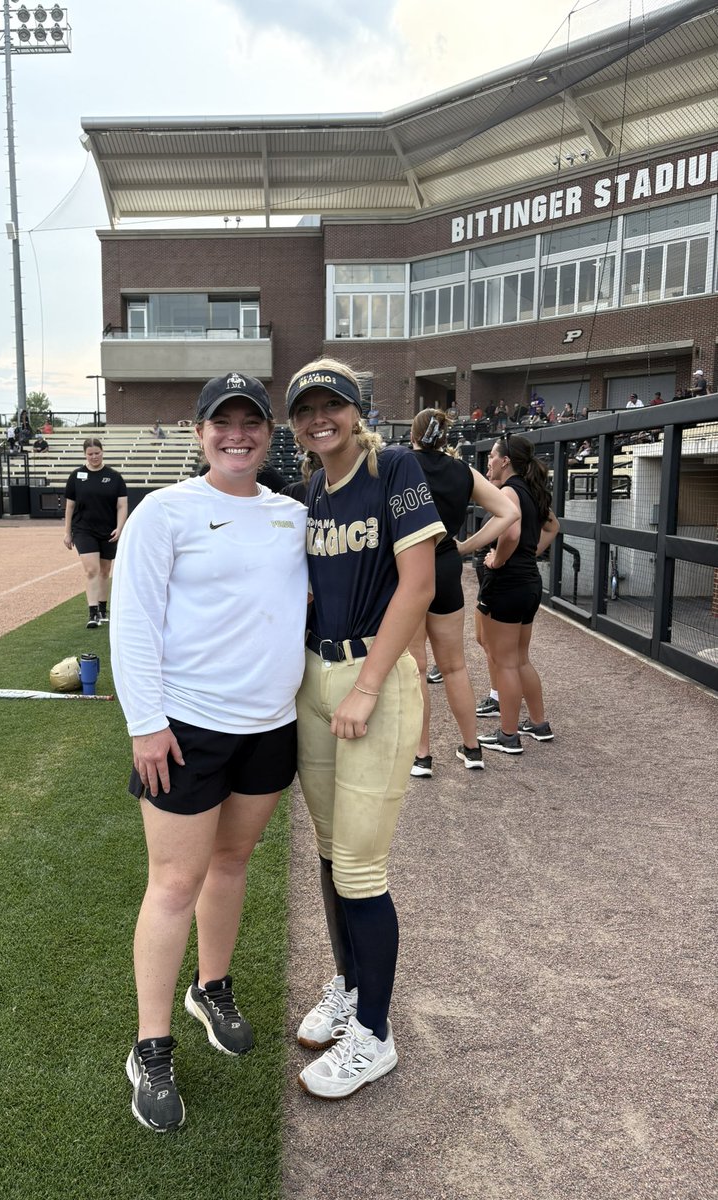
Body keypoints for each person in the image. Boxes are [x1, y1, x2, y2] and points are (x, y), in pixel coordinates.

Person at [110, 372, 308, 1133]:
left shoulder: (292, 515)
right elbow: (133, 621)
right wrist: (145, 722)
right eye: (222, 423)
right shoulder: (166, 511)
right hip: (186, 727)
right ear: (200, 434)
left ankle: (211, 987)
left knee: (231, 864)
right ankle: (150, 1047)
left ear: (268, 433)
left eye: (250, 422)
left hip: (271, 725)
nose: (237, 435)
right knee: (173, 883)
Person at [286, 357, 445, 1101]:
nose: (320, 419)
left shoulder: (395, 467)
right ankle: (351, 987)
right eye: (305, 410)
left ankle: (374, 1036)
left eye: (332, 405)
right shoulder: (314, 488)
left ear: (357, 410)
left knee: (358, 869)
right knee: (329, 855)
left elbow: (419, 584)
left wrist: (369, 685)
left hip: (370, 679)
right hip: (316, 678)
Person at [406, 409, 520, 778]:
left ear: (414, 435)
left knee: (416, 667)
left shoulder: (400, 465)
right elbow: (508, 513)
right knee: (454, 666)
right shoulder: (462, 471)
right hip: (445, 566)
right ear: (445, 437)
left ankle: (422, 756)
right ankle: (472, 748)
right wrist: (466, 546)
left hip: (408, 570)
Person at [474, 435, 560, 755]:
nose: (489, 461)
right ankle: (538, 724)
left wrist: (498, 560)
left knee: (506, 663)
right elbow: (552, 526)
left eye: (492, 456)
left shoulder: (510, 491)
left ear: (506, 460)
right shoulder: (531, 490)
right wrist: (528, 553)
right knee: (519, 658)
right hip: (528, 582)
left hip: (508, 583)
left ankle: (508, 735)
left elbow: (510, 532)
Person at [63, 437, 128, 628]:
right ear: (85, 455)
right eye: (90, 454)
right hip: (83, 529)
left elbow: (122, 505)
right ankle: (92, 614)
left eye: (97, 453)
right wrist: (67, 532)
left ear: (102, 452)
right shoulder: (76, 476)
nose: (94, 457)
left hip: (108, 530)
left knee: (105, 571)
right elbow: (69, 506)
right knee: (92, 570)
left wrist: (120, 527)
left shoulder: (114, 477)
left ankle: (102, 609)